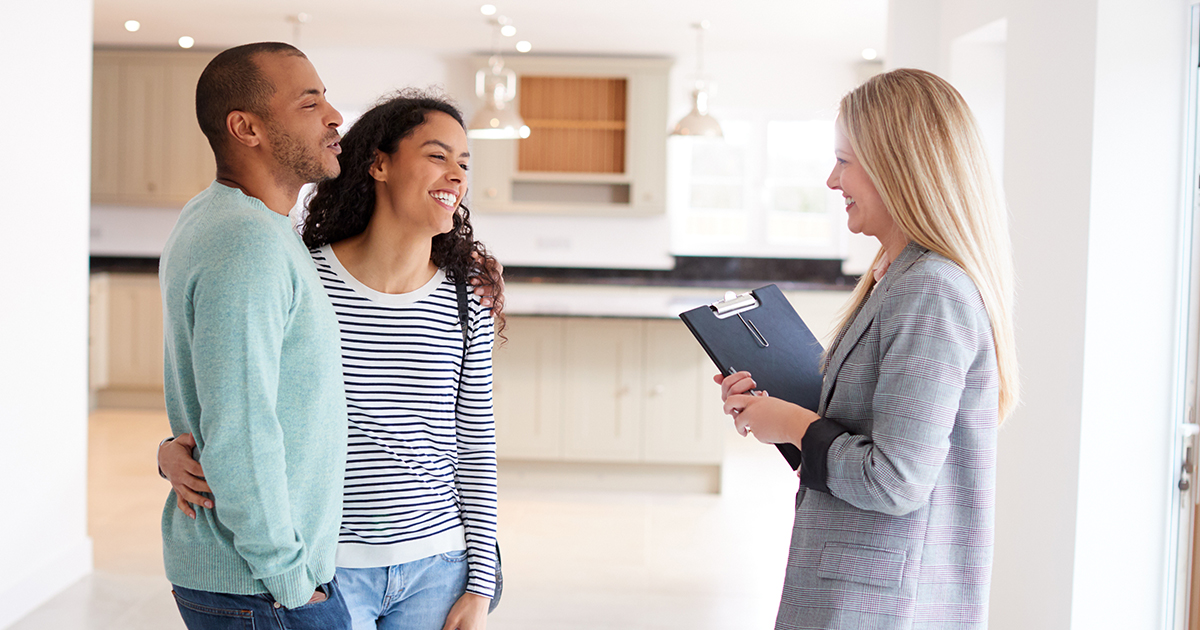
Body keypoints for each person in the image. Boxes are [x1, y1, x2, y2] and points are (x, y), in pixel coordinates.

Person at [163, 90, 504, 630]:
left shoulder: (466, 297)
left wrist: (480, 583)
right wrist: (171, 450)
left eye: (464, 162)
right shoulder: (304, 276)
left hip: (438, 563)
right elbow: (240, 400)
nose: (456, 175)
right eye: (438, 156)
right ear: (379, 164)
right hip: (328, 566)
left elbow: (474, 443)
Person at [717, 68, 1018, 629]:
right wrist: (770, 411)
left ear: (899, 168)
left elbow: (894, 479)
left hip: (882, 606)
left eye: (844, 161)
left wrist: (791, 423)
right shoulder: (897, 276)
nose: (832, 181)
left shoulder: (931, 290)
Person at [159, 42, 354, 628]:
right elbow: (241, 426)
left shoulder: (219, 218)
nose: (334, 115)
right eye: (310, 101)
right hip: (263, 585)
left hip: (249, 579)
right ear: (246, 127)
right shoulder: (248, 244)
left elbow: (211, 388)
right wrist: (293, 581)